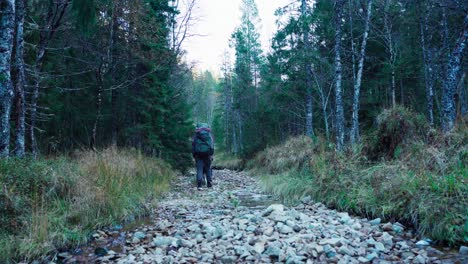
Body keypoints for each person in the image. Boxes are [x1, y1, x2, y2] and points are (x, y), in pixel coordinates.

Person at [192, 123, 214, 190]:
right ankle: (209, 184)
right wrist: (211, 154)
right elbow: (212, 146)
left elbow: (193, 146)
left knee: (199, 169)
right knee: (208, 169)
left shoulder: (196, 136)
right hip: (208, 155)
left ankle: (199, 186)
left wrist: (194, 155)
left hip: (198, 155)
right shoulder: (209, 135)